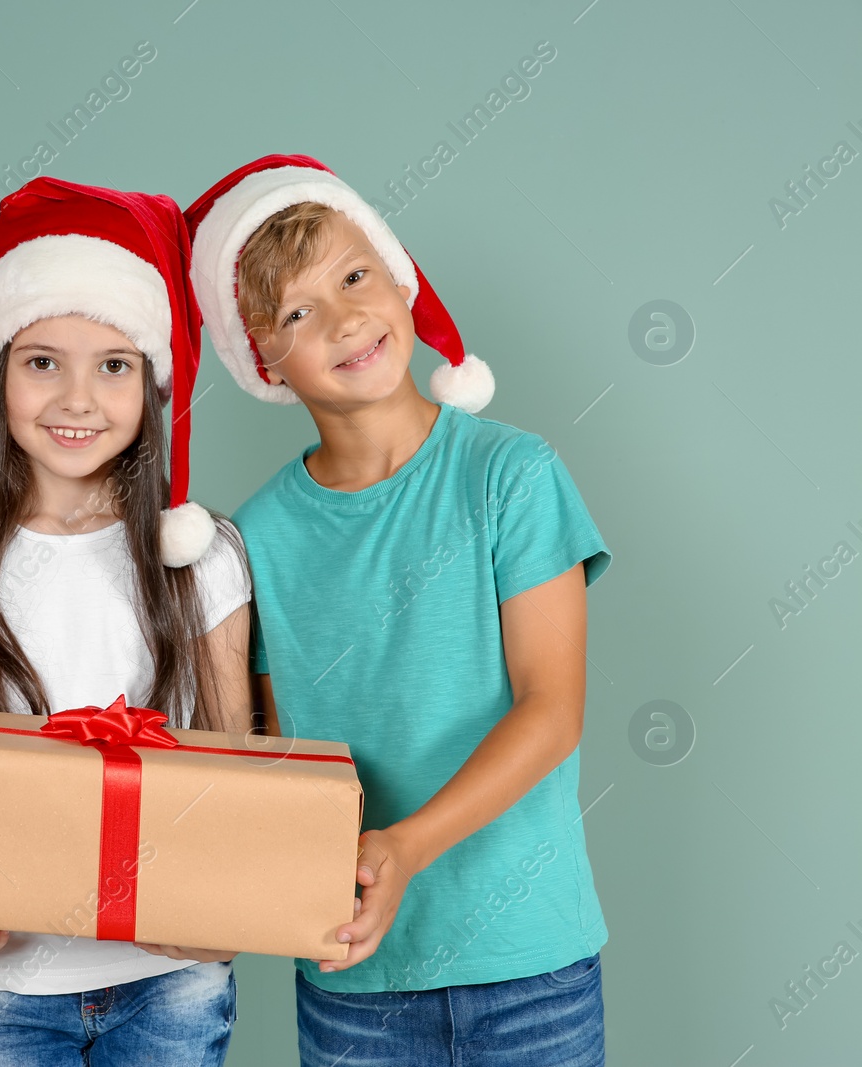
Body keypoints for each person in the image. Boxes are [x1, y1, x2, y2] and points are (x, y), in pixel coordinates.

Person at [185, 154, 611, 1066]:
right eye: (298, 312)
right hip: (354, 982)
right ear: (262, 356)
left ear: (400, 279)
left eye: (353, 277)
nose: (342, 319)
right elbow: (268, 748)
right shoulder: (253, 535)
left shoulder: (511, 475)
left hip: (530, 964)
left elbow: (552, 708)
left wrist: (405, 847)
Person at [0, 177, 252, 1066]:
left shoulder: (200, 556)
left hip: (171, 973)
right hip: (5, 984)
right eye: (43, 360)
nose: (76, 397)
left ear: (151, 385)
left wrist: (227, 911)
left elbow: (238, 758)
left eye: (114, 364)